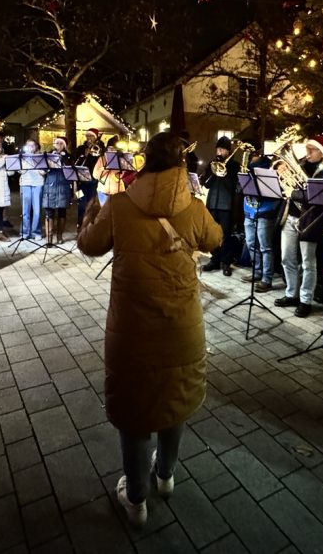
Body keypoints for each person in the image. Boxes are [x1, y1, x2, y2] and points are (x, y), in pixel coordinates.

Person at [77, 132, 222, 528]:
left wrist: (90, 215)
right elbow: (215, 239)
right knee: (175, 399)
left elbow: (90, 245)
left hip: (132, 327)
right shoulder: (193, 206)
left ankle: (136, 498)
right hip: (181, 326)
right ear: (182, 165)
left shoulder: (121, 204)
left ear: (145, 162)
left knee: (134, 410)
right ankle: (166, 476)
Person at [275, 135, 323, 317]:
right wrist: (281, 172)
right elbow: (286, 187)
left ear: (322, 153)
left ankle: (306, 300)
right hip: (290, 216)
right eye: (307, 149)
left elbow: (316, 197)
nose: (307, 153)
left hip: (310, 221)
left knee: (308, 263)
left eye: (312, 150)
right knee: (287, 258)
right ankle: (291, 294)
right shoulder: (301, 165)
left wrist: (294, 193)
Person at [199, 136, 240, 275]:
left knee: (226, 235)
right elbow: (207, 184)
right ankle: (215, 259)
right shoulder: (212, 163)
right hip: (212, 203)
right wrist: (210, 172)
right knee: (212, 233)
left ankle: (226, 262)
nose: (219, 152)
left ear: (228, 151)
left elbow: (233, 186)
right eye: (218, 149)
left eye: (222, 150)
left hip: (226, 204)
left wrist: (224, 172)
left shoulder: (234, 166)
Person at [240, 145, 278, 292]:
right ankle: (257, 272)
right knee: (250, 243)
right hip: (249, 210)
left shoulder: (268, 169)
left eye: (254, 153)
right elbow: (239, 189)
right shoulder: (247, 168)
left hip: (265, 211)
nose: (252, 157)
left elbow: (275, 193)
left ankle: (267, 279)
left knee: (265, 247)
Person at [42, 136, 72, 243]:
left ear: (64, 146)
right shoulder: (49, 154)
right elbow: (43, 169)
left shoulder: (68, 156)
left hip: (63, 185)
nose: (58, 145)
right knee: (49, 212)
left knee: (62, 212)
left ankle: (59, 236)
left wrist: (63, 158)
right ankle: (49, 238)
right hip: (50, 185)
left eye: (61, 143)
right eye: (57, 143)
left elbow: (71, 170)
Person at [74, 128, 102, 226]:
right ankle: (80, 224)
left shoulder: (100, 148)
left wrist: (94, 154)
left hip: (94, 182)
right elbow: (75, 163)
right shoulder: (80, 148)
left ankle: (89, 224)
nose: (89, 138)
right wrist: (83, 155)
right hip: (80, 182)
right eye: (87, 136)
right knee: (81, 203)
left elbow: (101, 162)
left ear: (95, 137)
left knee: (91, 204)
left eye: (91, 136)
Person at [19, 138, 46, 239]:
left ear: (36, 147)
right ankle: (24, 232)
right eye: (28, 145)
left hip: (38, 183)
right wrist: (26, 159)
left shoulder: (41, 157)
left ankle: (36, 232)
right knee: (25, 210)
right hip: (25, 183)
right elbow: (20, 171)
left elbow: (43, 172)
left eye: (32, 145)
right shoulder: (22, 157)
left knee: (37, 210)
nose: (30, 147)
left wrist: (36, 162)